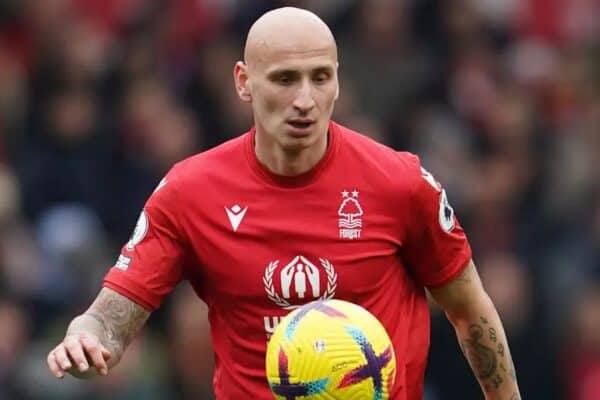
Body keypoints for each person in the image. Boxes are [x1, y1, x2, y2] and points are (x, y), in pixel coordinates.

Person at [47, 7, 521, 400]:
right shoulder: (189, 193)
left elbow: (469, 309)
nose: (305, 100)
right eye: (285, 79)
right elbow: (112, 315)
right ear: (243, 81)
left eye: (319, 78)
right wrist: (86, 339)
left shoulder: (400, 182)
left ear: (338, 80)